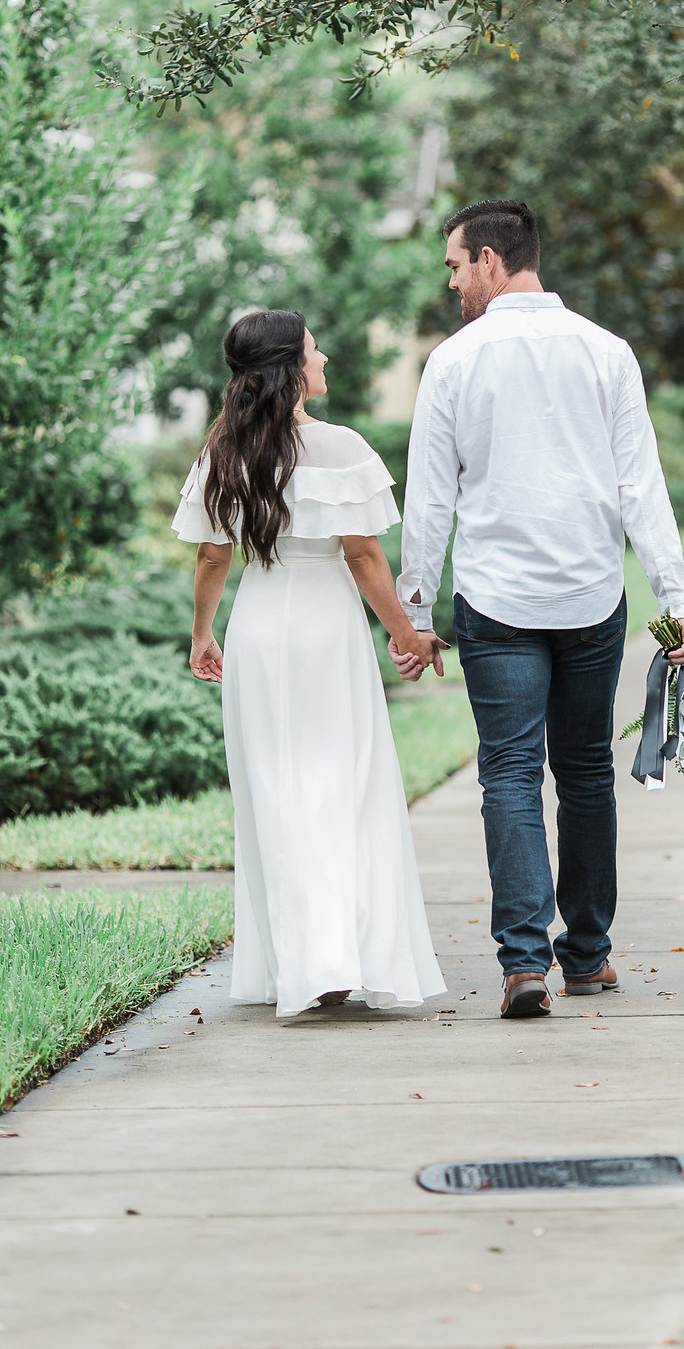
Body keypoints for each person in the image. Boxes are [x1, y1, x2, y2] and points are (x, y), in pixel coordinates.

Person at [392, 200, 684, 1020]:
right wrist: (678, 605)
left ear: (491, 260)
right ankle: (588, 955)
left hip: (496, 601)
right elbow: (644, 489)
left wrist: (416, 612)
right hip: (588, 595)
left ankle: (524, 963)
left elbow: (429, 501)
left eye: (456, 266)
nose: (453, 282)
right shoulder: (608, 353)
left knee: (508, 772)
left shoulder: (453, 362)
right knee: (585, 772)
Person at [172, 309, 446, 1018]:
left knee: (275, 791)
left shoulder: (222, 451)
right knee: (341, 785)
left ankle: (305, 961)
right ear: (292, 367)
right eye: (316, 350)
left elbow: (211, 554)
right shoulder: (341, 447)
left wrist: (203, 634)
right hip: (326, 631)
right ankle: (342, 956)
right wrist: (409, 634)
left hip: (260, 628)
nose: (325, 359)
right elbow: (362, 557)